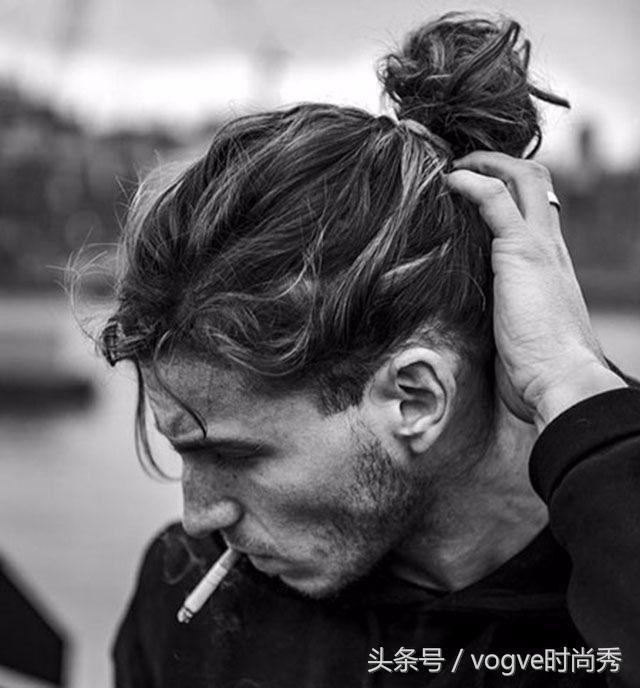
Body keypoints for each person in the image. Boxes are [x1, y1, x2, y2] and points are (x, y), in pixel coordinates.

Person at [98, 13, 640, 688]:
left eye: (233, 455)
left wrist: (575, 388)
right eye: (184, 452)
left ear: (415, 398)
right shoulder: (193, 595)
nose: (200, 514)